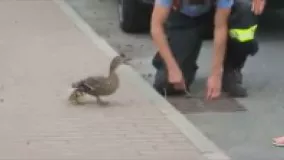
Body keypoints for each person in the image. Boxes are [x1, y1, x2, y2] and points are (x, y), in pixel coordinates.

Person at [151, 0, 265, 99]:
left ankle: (231, 70)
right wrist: (172, 68)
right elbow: (156, 26)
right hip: (184, 21)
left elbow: (220, 28)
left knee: (244, 13)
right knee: (166, 84)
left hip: (212, 17)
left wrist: (215, 75)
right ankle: (175, 61)